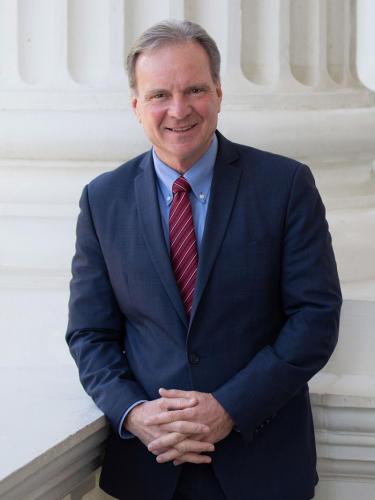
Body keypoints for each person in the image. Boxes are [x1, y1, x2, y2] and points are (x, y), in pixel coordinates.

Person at [66, 20, 342, 500]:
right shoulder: (102, 200)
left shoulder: (286, 185)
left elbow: (315, 317)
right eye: (158, 95)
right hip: (149, 469)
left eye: (194, 89)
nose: (178, 110)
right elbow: (90, 333)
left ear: (217, 92)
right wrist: (133, 412)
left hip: (262, 463)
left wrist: (230, 407)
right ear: (136, 106)